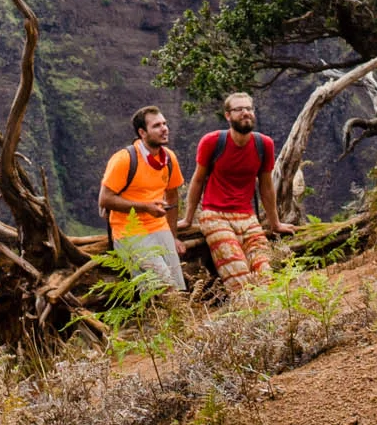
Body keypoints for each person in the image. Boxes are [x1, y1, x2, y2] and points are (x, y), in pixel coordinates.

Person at [184, 92, 296, 296]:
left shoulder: (264, 144)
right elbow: (198, 180)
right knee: (239, 275)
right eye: (239, 109)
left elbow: (266, 186)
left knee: (265, 274)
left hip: (248, 218)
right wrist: (188, 218)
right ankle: (249, 318)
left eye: (249, 109)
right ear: (228, 115)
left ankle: (269, 319)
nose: (245, 113)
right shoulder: (212, 141)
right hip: (214, 216)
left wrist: (275, 224)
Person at [98, 105, 187, 290]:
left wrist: (173, 236)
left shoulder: (169, 159)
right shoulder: (124, 159)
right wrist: (145, 207)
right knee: (165, 289)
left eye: (164, 123)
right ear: (142, 132)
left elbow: (172, 195)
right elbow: (105, 199)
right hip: (129, 232)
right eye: (156, 126)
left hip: (160, 229)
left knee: (179, 289)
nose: (164, 129)